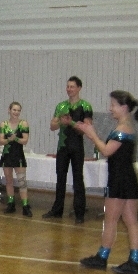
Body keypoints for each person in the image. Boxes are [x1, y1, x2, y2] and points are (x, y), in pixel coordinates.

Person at [76, 91, 138, 274]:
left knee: (111, 219)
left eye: (113, 105)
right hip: (127, 177)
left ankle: (102, 257)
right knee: (131, 221)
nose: (110, 108)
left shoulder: (123, 129)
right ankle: (134, 261)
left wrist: (92, 134)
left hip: (119, 178)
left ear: (124, 107)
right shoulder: (126, 127)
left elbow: (106, 151)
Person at [43, 76, 93, 224]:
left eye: (72, 86)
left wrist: (70, 122)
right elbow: (52, 126)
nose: (69, 89)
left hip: (77, 146)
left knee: (78, 179)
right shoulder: (61, 106)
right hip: (63, 146)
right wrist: (60, 122)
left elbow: (86, 129)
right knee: (60, 178)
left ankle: (79, 213)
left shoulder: (85, 106)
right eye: (68, 86)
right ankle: (57, 210)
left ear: (79, 88)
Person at [0, 102, 32, 217]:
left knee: (22, 182)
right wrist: (9, 140)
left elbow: (25, 140)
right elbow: (1, 141)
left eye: (18, 110)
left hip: (18, 154)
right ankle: (11, 204)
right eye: (14, 110)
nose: (16, 112)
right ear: (9, 110)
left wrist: (15, 138)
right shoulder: (3, 124)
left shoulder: (23, 124)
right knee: (9, 181)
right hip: (7, 154)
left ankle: (25, 206)